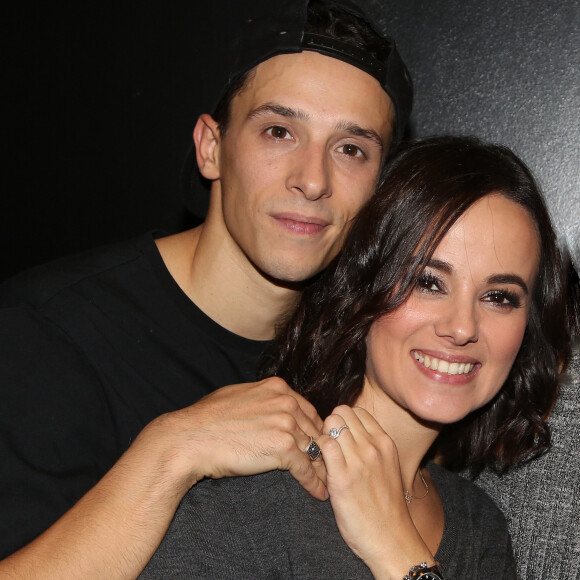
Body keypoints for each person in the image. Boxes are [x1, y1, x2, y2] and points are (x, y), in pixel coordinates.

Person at [0, 1, 413, 577]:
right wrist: (174, 449)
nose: (312, 179)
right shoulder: (48, 334)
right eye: (278, 131)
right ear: (211, 147)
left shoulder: (371, 354)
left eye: (351, 149)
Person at [140, 135, 577, 579]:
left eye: (499, 296)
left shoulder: (477, 525)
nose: (462, 327)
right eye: (428, 282)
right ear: (361, 286)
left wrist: (397, 548)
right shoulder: (248, 505)